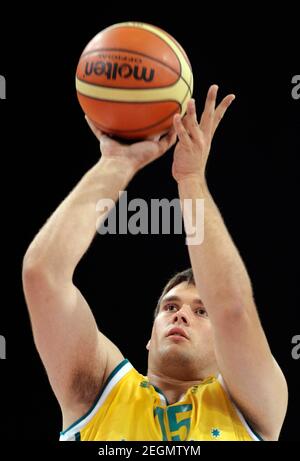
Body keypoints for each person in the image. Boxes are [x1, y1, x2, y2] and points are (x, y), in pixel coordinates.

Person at [22, 85, 288, 441]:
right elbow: (44, 275)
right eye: (170, 306)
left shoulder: (255, 405)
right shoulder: (99, 391)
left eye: (201, 311)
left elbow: (233, 309)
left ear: (226, 346)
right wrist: (117, 162)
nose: (180, 314)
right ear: (148, 339)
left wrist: (192, 179)